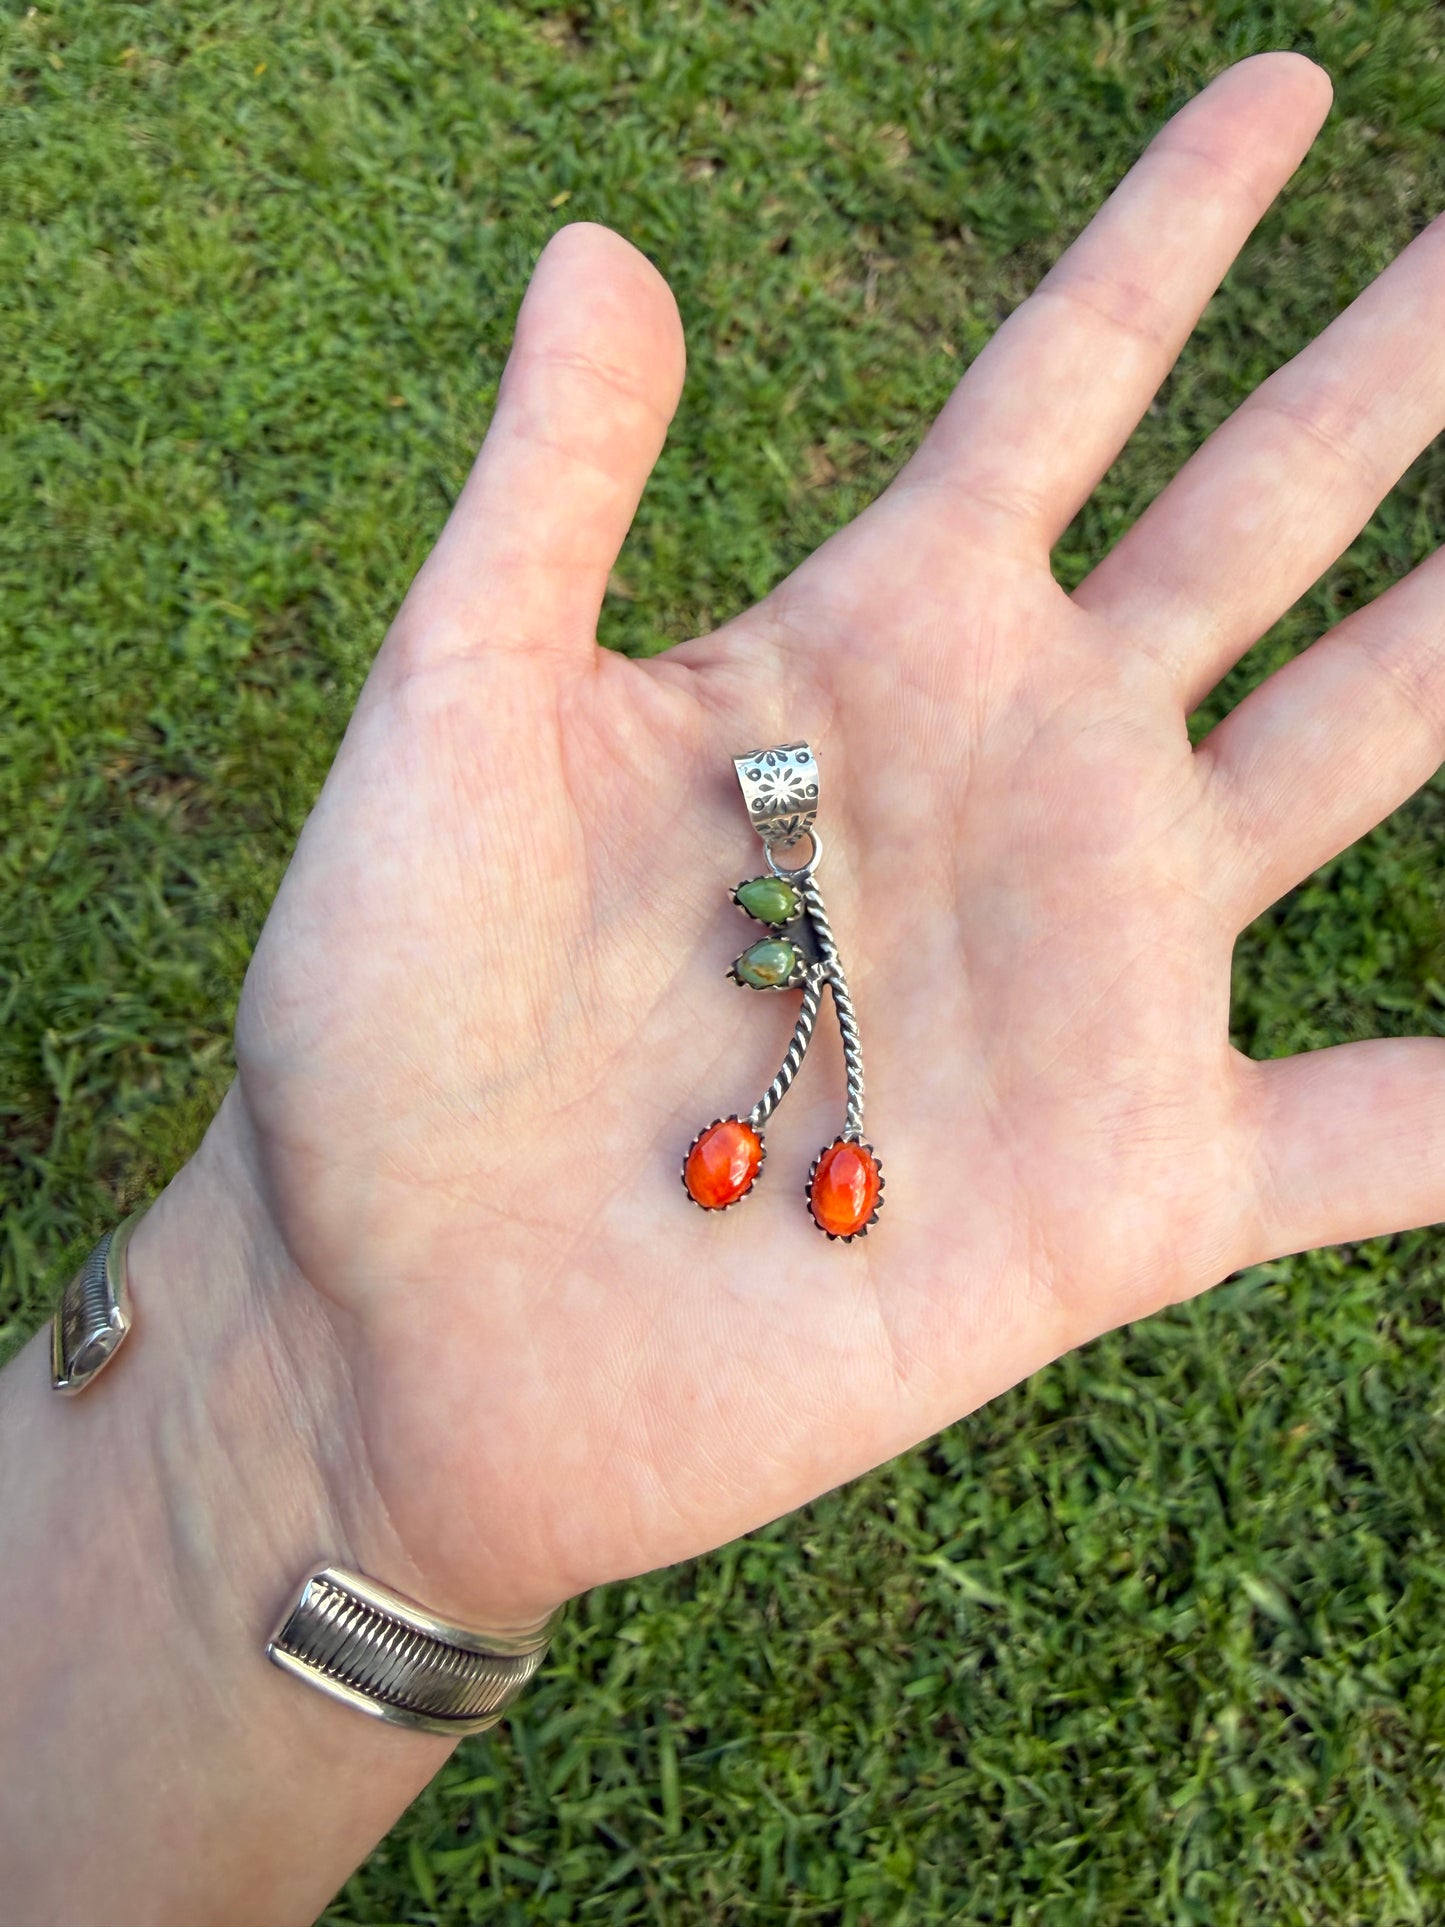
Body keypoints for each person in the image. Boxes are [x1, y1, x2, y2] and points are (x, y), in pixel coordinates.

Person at [3, 49, 1441, 1926]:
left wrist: (305, 1437)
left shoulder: (801, 982)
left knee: (803, 1073)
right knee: (798, 1071)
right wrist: (291, 1367)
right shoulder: (778, 939)